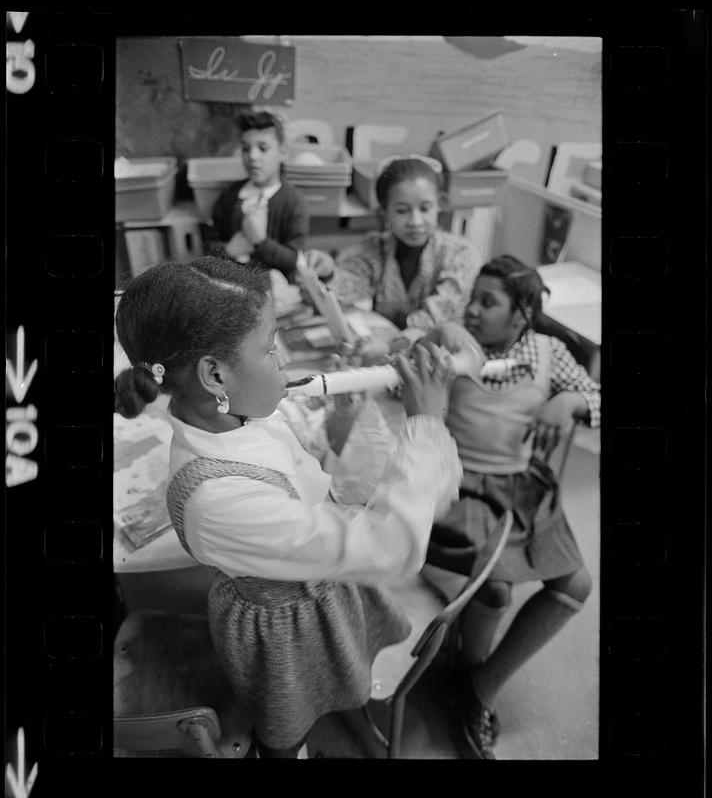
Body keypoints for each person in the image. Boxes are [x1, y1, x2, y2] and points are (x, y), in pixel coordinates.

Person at [113, 256, 462, 759]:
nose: (281, 363)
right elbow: (389, 549)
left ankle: (333, 719)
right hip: (281, 629)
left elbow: (314, 480)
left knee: (335, 684)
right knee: (285, 722)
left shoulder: (241, 415)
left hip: (320, 586)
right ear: (214, 374)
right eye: (269, 348)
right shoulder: (214, 497)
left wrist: (343, 421)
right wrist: (425, 426)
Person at [423, 254, 601, 760]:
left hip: (520, 485)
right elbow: (400, 368)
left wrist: (570, 402)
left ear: (522, 314)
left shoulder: (550, 352)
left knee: (577, 585)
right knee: (494, 587)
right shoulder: (456, 345)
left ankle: (480, 685)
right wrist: (437, 337)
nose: (473, 310)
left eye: (488, 302)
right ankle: (464, 672)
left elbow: (597, 396)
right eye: (471, 299)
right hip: (458, 484)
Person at [331, 155, 481, 362]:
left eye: (425, 208)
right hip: (385, 357)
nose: (415, 221)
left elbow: (438, 316)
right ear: (385, 212)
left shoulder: (461, 255)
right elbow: (342, 290)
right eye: (402, 211)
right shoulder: (373, 251)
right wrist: (326, 273)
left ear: (441, 204)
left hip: (439, 361)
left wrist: (388, 345)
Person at [211, 110, 309, 281]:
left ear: (283, 153)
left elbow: (293, 259)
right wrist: (229, 251)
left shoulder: (294, 202)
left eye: (263, 148)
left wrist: (260, 241)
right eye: (246, 149)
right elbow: (209, 246)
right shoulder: (230, 196)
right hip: (232, 284)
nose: (253, 157)